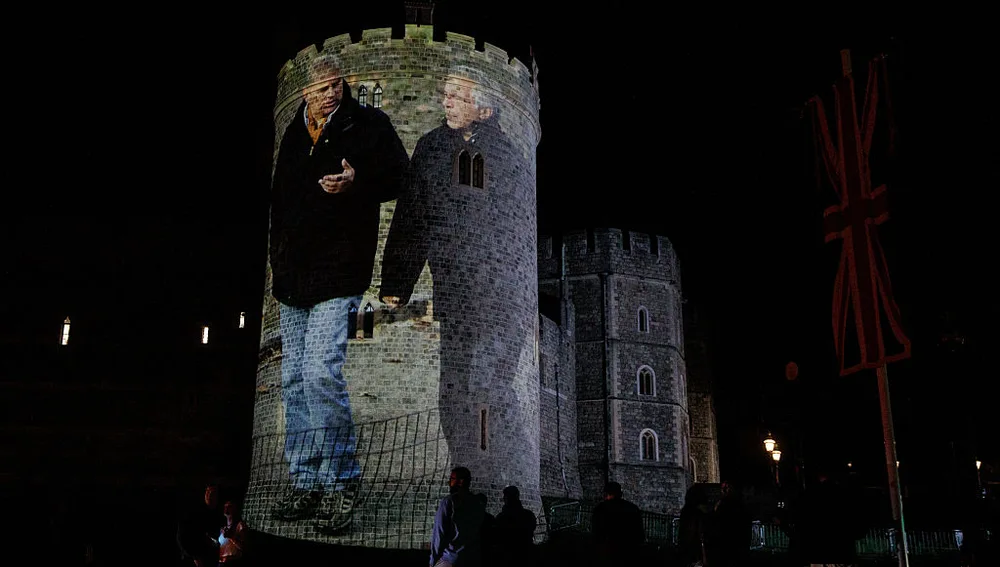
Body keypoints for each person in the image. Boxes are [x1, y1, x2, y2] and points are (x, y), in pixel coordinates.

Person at [268, 52, 409, 533]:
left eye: (336, 85)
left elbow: (399, 177)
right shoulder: (292, 133)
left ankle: (341, 484)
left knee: (320, 375)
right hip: (293, 279)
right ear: (306, 90)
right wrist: (277, 260)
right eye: (322, 87)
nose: (331, 93)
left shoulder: (368, 125)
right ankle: (305, 483)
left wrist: (357, 182)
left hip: (338, 273)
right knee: (293, 383)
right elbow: (279, 202)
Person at [380, 65, 531, 470]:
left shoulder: (507, 157)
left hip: (502, 302)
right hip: (457, 296)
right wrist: (397, 282)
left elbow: (520, 234)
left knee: (488, 386)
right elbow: (412, 215)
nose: (446, 101)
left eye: (457, 96)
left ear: (483, 110)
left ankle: (506, 471)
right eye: (446, 93)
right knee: (453, 390)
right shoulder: (430, 148)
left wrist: (519, 295)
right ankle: (466, 470)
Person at [430, 467, 486, 567]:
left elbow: (439, 534)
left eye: (452, 479)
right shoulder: (478, 503)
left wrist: (433, 560)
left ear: (460, 481)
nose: (449, 482)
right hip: (472, 558)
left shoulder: (448, 502)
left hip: (451, 558)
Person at [590, 481, 644, 566]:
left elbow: (596, 531)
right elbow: (639, 532)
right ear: (620, 494)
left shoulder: (600, 509)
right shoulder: (632, 508)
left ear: (606, 494)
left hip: (607, 549)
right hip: (628, 550)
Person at [705, 480, 751, 567]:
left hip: (732, 546)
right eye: (723, 488)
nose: (723, 491)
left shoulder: (731, 505)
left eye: (726, 488)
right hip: (729, 547)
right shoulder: (726, 504)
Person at [177, 483, 223, 567]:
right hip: (195, 560)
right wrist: (194, 557)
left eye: (212, 493)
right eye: (207, 492)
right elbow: (182, 536)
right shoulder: (193, 513)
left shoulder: (220, 514)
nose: (209, 495)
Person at [494, 485, 537, 564]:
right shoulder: (529, 515)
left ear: (506, 498)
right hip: (526, 555)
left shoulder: (501, 518)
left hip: (507, 556)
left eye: (505, 496)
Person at [676, 484, 710, 567]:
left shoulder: (685, 512)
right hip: (696, 554)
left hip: (687, 552)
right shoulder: (699, 514)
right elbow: (701, 535)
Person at [218, 500, 248, 565]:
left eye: (229, 506)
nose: (226, 508)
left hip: (233, 563)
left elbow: (244, 547)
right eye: (225, 506)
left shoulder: (240, 525)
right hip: (221, 563)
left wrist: (231, 537)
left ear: (235, 509)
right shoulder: (223, 528)